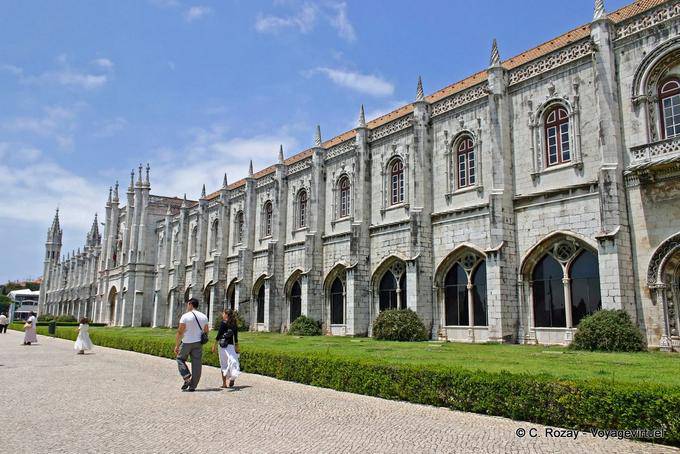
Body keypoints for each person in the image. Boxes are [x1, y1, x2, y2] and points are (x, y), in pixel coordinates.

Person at [175, 298, 209, 392]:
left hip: (186, 342)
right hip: (198, 343)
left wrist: (177, 345)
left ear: (190, 304)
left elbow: (180, 332)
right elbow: (206, 331)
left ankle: (186, 377)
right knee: (197, 364)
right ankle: (193, 386)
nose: (187, 306)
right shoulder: (203, 316)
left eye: (187, 304)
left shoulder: (185, 316)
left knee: (180, 359)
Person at [211, 309, 240, 388]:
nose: (222, 315)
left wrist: (214, 345)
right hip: (231, 346)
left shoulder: (223, 323)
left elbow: (218, 335)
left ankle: (224, 384)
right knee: (233, 361)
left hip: (223, 346)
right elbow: (236, 337)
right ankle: (232, 377)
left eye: (223, 313)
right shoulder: (234, 324)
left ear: (226, 314)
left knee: (223, 363)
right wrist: (237, 346)